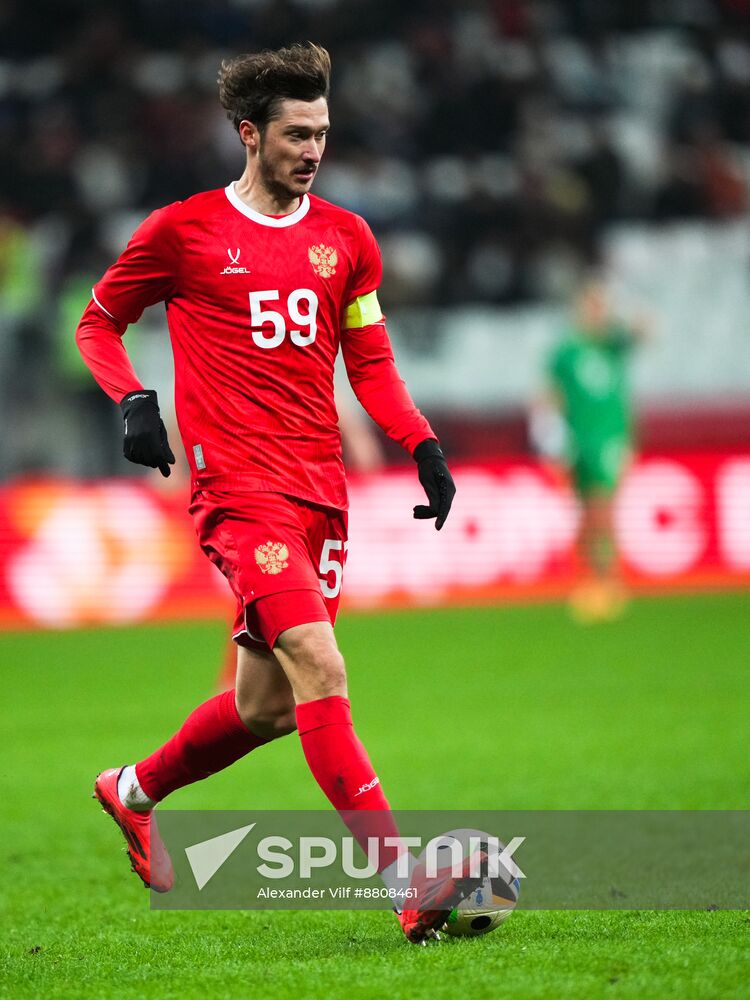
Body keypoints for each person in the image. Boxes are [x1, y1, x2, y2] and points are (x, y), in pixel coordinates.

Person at [76, 42, 475, 944]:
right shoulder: (182, 232)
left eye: (324, 133)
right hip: (238, 489)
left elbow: (369, 363)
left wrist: (422, 443)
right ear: (249, 134)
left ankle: (132, 790)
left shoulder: (349, 241)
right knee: (323, 667)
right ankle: (408, 887)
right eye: (296, 133)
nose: (313, 150)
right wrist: (134, 397)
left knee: (265, 707)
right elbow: (98, 322)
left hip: (319, 493)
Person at [530, 281, 644, 622]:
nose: (596, 313)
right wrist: (550, 441)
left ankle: (609, 581)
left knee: (602, 508)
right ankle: (589, 581)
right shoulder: (567, 353)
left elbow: (646, 329)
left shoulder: (612, 345)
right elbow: (549, 396)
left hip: (610, 438)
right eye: (591, 306)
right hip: (579, 440)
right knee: (586, 512)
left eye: (600, 306)